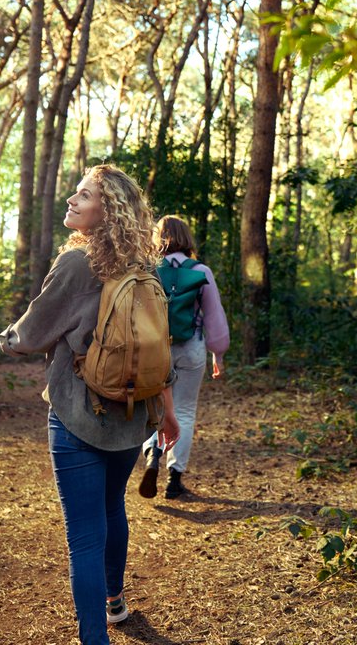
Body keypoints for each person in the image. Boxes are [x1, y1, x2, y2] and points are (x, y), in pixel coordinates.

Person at [0, 164, 179, 645]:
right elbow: (160, 345)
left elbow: (32, 333)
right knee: (111, 508)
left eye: (83, 196)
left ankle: (94, 638)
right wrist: (169, 409)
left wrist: (7, 339)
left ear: (107, 211)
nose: (72, 201)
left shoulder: (77, 264)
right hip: (132, 414)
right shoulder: (144, 268)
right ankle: (115, 602)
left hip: (79, 413)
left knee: (83, 534)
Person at [139, 214, 230, 500]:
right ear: (186, 238)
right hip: (192, 346)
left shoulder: (149, 268)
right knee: (185, 410)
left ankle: (153, 453)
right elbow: (214, 316)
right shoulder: (201, 270)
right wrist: (218, 353)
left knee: (153, 406)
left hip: (155, 349)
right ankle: (174, 479)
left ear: (158, 238)